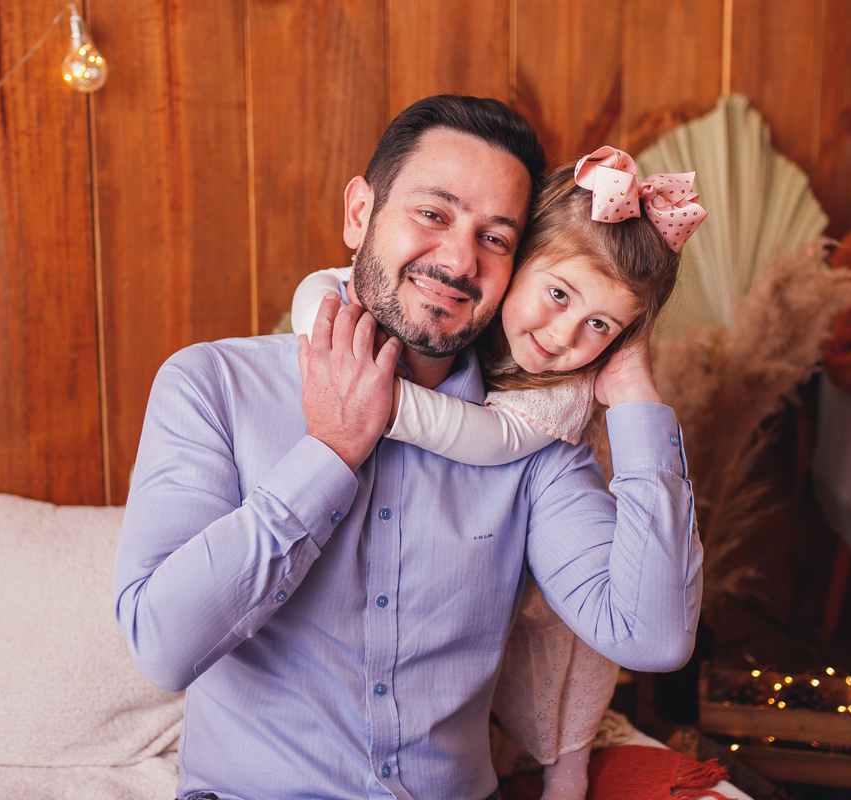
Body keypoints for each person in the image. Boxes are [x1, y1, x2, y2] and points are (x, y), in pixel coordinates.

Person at [114, 95, 702, 800]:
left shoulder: (535, 444)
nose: (457, 259)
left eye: (495, 238)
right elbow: (162, 644)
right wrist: (328, 456)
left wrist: (638, 399)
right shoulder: (211, 386)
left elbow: (653, 637)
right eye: (433, 213)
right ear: (360, 214)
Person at [289, 146, 705, 800]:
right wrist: (318, 309)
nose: (564, 335)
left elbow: (485, 437)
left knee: (563, 675)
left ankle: (562, 772)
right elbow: (325, 283)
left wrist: (636, 395)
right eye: (559, 294)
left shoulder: (556, 398)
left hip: (543, 603)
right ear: (511, 264)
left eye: (600, 325)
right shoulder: (420, 315)